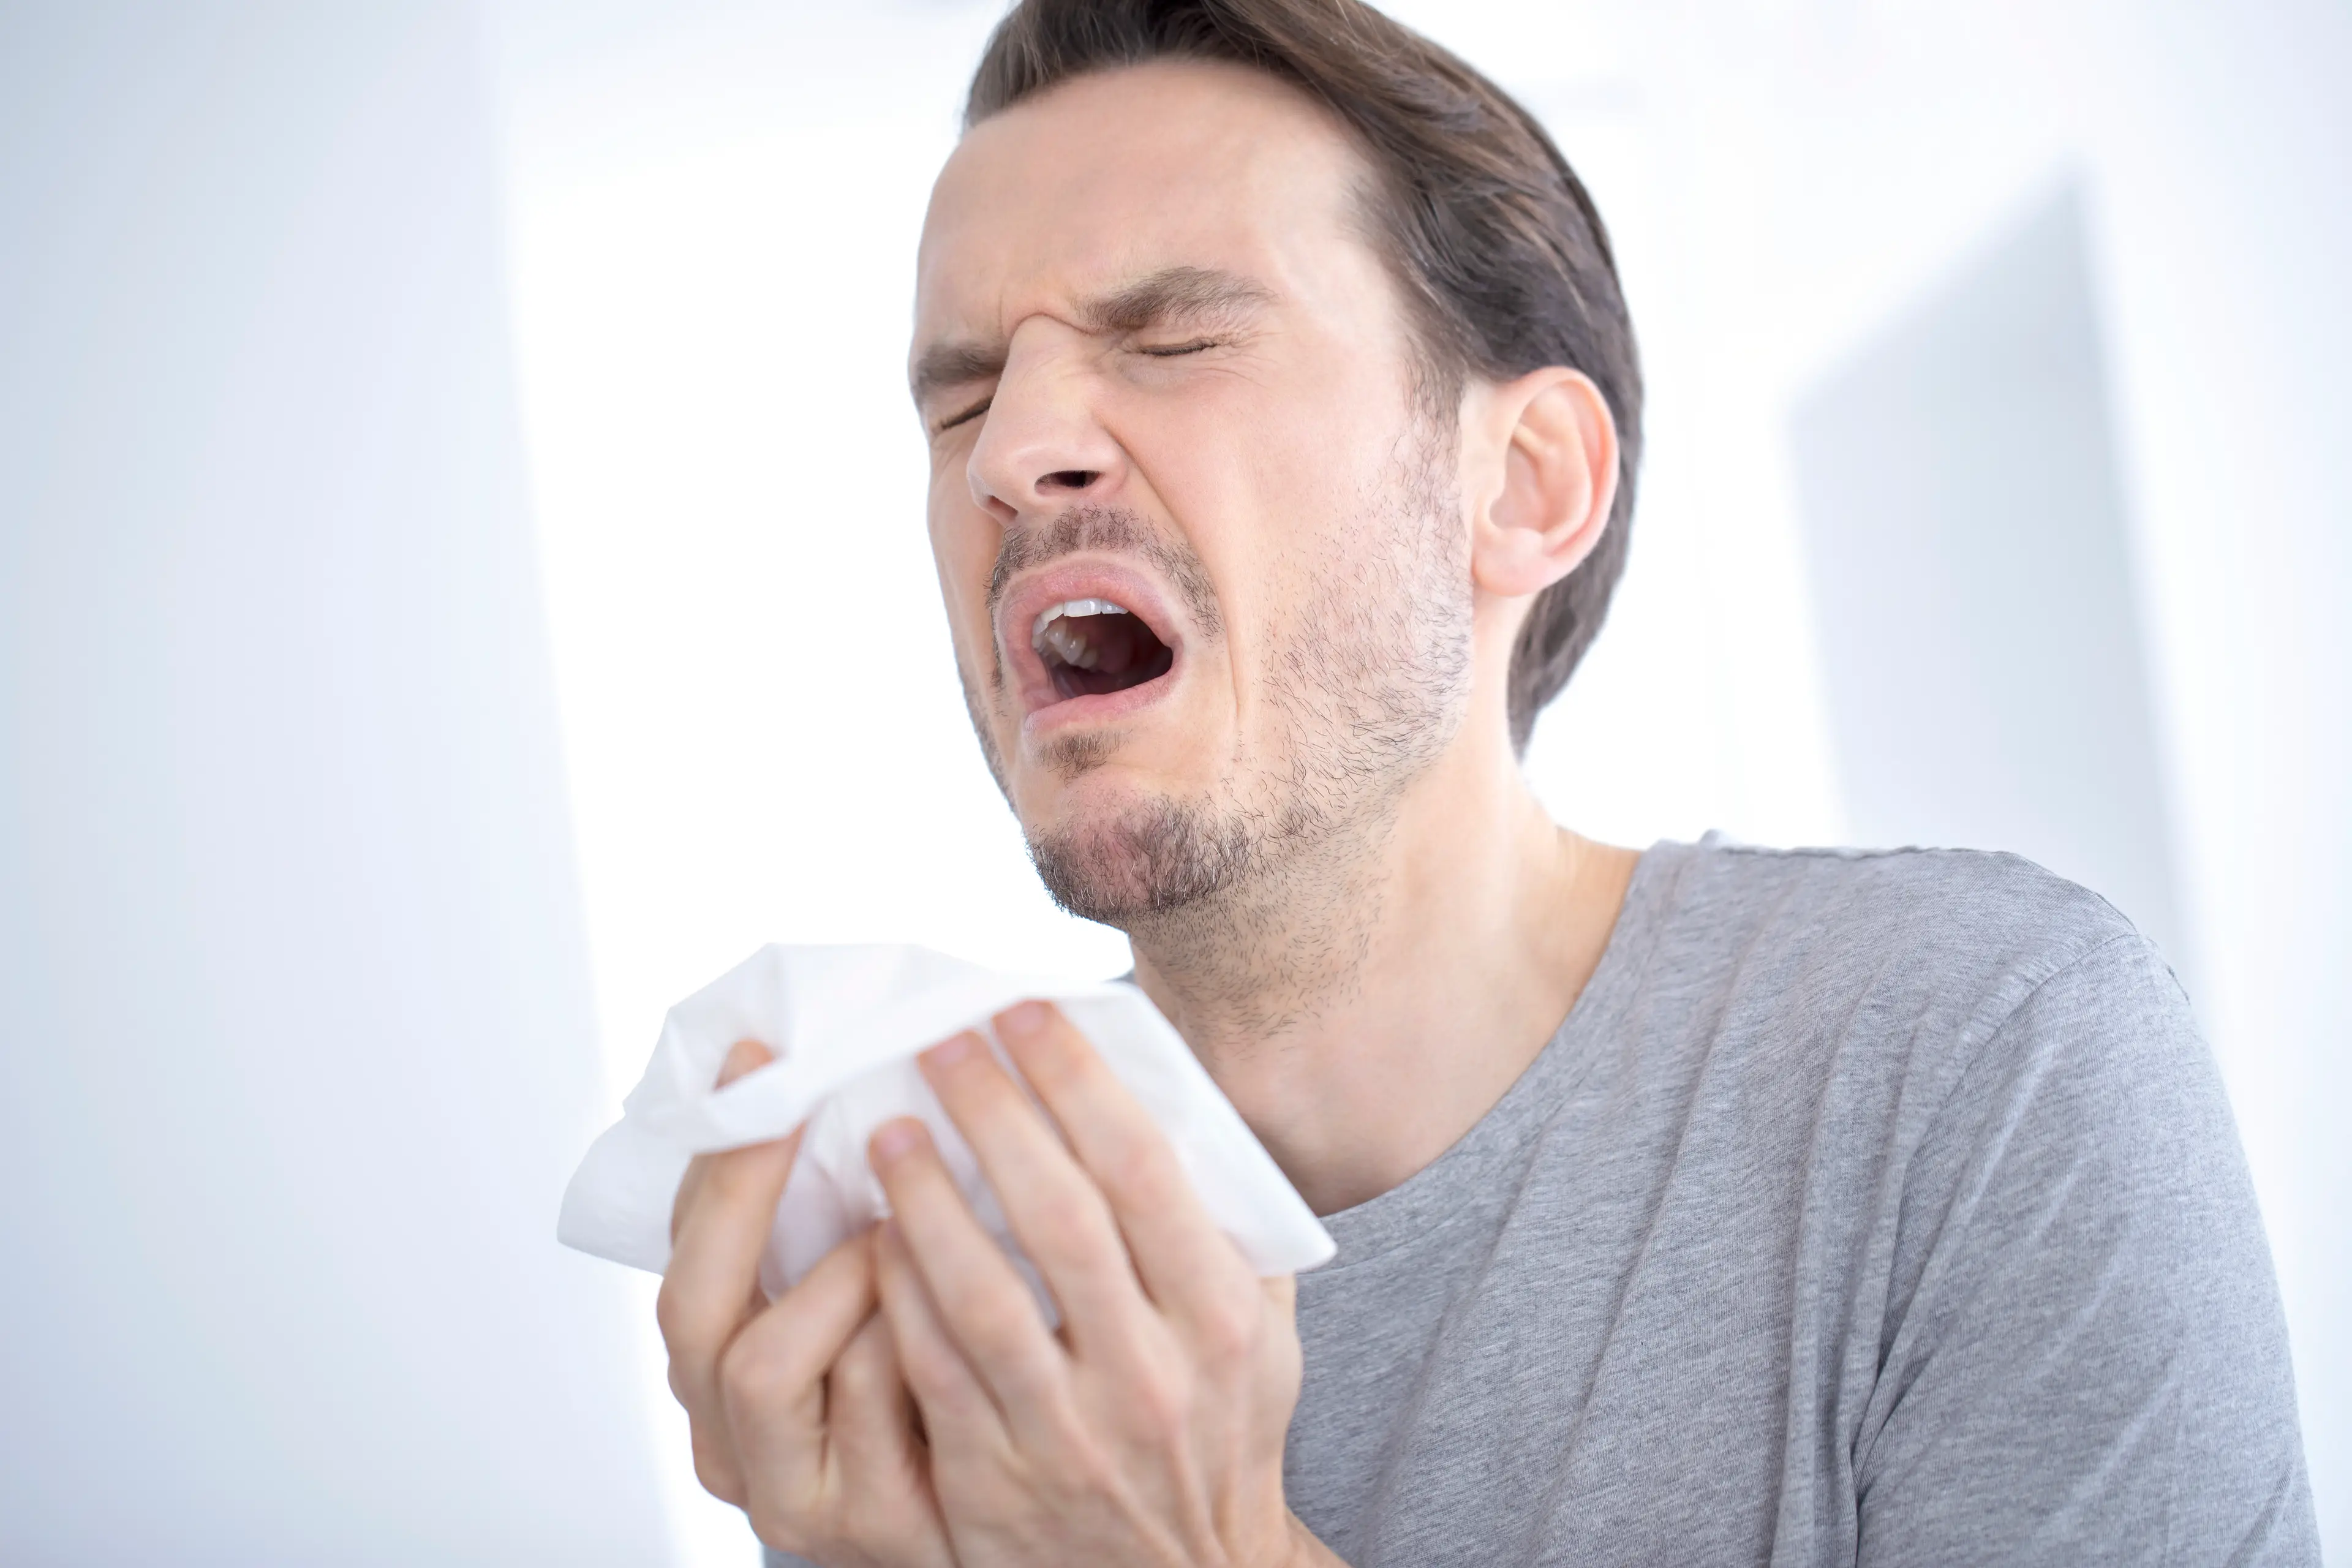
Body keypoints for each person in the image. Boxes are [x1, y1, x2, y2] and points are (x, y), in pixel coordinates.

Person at [654, 2, 2319, 1563]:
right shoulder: (958, 1286)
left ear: (1523, 486)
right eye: (959, 397)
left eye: (1169, 337)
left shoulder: (1976, 1062)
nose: (1012, 454)